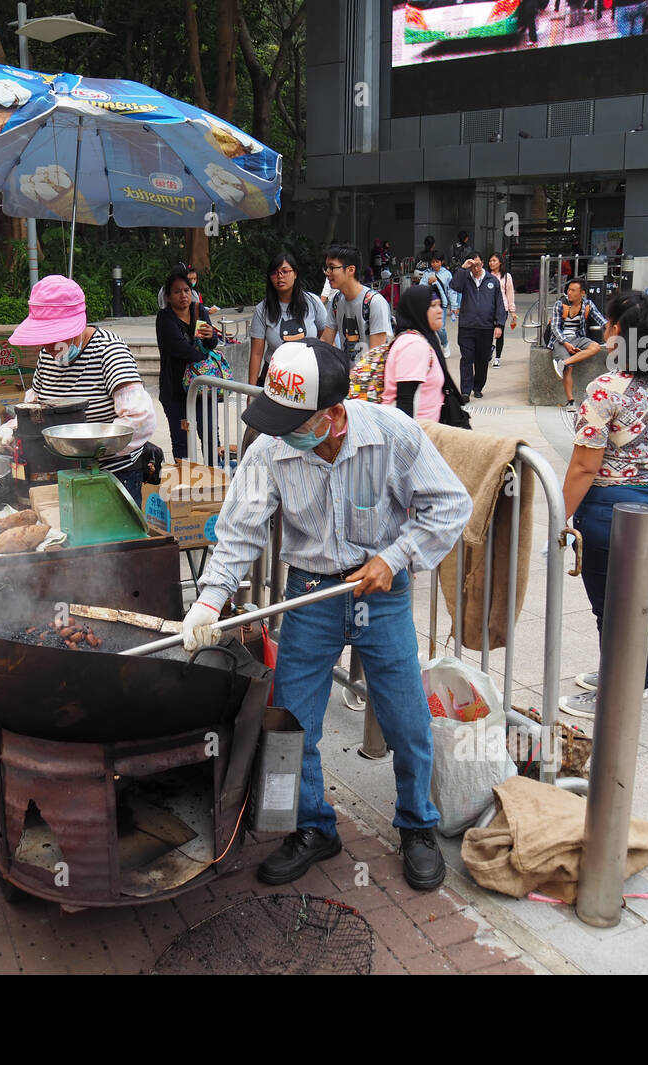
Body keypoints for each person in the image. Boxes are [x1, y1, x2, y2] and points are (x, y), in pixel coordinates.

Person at [182, 339, 471, 890]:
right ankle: (314, 826)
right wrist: (207, 601)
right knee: (291, 722)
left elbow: (451, 504)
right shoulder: (270, 451)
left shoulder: (390, 435)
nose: (281, 433)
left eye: (296, 422)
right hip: (310, 591)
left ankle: (416, 825)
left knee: (407, 721)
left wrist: (396, 556)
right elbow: (239, 529)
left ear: (334, 415)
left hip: (380, 593)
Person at [559, 290, 648, 717]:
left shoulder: (603, 390)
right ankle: (636, 679)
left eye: (609, 324)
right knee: (646, 597)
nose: (603, 330)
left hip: (607, 511)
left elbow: (583, 466)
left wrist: (555, 516)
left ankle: (618, 690)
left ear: (618, 331)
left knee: (611, 605)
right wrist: (647, 479)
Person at [0, 275, 155, 505]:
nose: (48, 346)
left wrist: (83, 447)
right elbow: (37, 407)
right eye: (44, 339)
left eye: (56, 336)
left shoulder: (109, 351)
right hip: (61, 475)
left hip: (111, 477)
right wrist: (11, 429)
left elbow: (141, 420)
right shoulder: (48, 355)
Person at [156, 268, 219, 462]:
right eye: (177, 291)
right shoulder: (165, 318)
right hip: (175, 392)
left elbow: (212, 343)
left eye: (186, 290)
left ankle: (215, 478)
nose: (183, 295)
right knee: (182, 440)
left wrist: (212, 336)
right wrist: (202, 357)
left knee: (210, 437)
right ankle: (185, 483)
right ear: (168, 296)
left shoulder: (199, 310)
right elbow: (181, 350)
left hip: (202, 389)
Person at [248, 251, 330, 389]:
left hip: (310, 375)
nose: (280, 277)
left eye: (285, 271)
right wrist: (251, 390)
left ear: (295, 274)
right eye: (275, 273)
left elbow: (327, 340)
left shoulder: (313, 302)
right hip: (275, 377)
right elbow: (256, 353)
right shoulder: (263, 309)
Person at [382, 284, 447, 422]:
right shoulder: (414, 344)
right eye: (433, 305)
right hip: (417, 434)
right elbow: (405, 402)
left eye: (440, 305)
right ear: (418, 310)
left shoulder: (418, 340)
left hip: (425, 431)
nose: (439, 310)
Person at [319, 243, 392, 362]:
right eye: (326, 268)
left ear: (350, 270)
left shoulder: (375, 302)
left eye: (332, 267)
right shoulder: (337, 301)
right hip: (347, 378)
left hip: (369, 378)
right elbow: (325, 342)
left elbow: (376, 358)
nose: (327, 272)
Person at [449, 254, 506, 400]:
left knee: (482, 359)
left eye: (478, 264)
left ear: (482, 263)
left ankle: (478, 386)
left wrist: (499, 324)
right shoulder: (465, 279)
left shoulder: (492, 281)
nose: (476, 268)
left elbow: (499, 304)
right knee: (467, 358)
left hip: (485, 327)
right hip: (467, 326)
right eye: (472, 265)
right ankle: (465, 391)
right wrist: (463, 269)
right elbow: (454, 286)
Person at [548, 277, 607, 410]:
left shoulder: (587, 304)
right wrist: (566, 343)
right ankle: (570, 401)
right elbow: (555, 328)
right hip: (560, 339)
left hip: (578, 338)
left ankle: (564, 363)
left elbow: (601, 320)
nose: (569, 293)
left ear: (582, 293)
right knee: (569, 369)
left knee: (595, 347)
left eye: (573, 290)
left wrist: (614, 329)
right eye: (569, 290)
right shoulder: (560, 304)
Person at [419, 250, 458, 347]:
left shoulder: (447, 274)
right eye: (433, 262)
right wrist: (428, 283)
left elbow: (451, 290)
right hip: (428, 303)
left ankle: (445, 344)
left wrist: (454, 306)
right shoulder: (427, 273)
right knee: (428, 327)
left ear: (442, 262)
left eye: (437, 261)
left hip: (442, 304)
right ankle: (430, 347)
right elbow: (420, 288)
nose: (435, 264)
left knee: (440, 328)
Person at [488, 253, 518, 368]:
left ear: (500, 262)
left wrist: (512, 310)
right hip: (488, 309)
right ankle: (489, 349)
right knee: (487, 333)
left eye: (494, 260)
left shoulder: (506, 277)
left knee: (499, 333)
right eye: (490, 261)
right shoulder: (486, 275)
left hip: (502, 309)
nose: (491, 263)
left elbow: (510, 294)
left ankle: (497, 358)